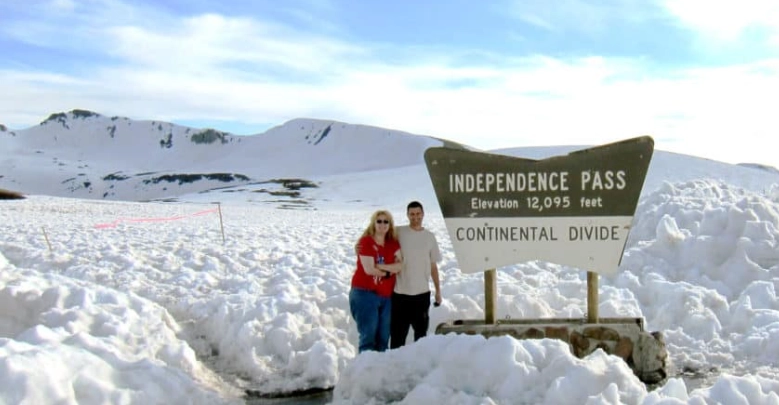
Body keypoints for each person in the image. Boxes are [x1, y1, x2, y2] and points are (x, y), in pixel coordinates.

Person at [390, 201, 442, 349]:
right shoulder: (398, 232)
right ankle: (395, 362)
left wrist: (438, 291)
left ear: (423, 214)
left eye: (418, 213)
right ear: (407, 215)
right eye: (412, 214)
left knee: (421, 337)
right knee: (397, 336)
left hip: (421, 295)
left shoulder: (429, 237)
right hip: (400, 294)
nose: (415, 217)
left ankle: (419, 363)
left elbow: (433, 266)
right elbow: (378, 234)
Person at [349, 210, 403, 353]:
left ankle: (380, 366)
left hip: (386, 296)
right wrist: (389, 271)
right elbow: (369, 270)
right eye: (379, 221)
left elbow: (400, 265)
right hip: (365, 294)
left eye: (386, 221)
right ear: (373, 223)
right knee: (368, 336)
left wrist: (381, 267)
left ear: (390, 225)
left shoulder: (392, 244)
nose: (382, 224)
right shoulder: (366, 242)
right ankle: (366, 365)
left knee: (384, 337)